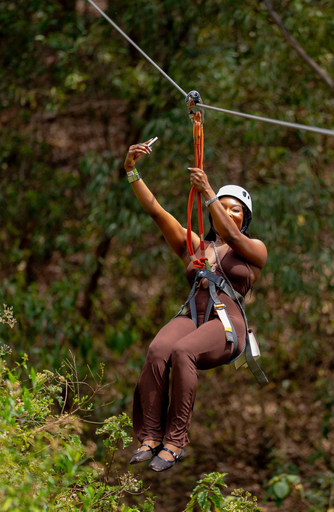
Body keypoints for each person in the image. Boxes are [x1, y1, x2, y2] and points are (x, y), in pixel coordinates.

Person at [123, 139, 268, 472]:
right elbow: (157, 212)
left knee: (183, 351)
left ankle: (175, 442)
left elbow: (233, 237)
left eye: (236, 209)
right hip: (193, 315)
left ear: (245, 218)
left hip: (226, 324)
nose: (227, 212)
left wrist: (209, 192)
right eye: (223, 206)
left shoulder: (253, 249)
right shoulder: (197, 245)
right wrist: (131, 171)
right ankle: (151, 436)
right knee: (158, 350)